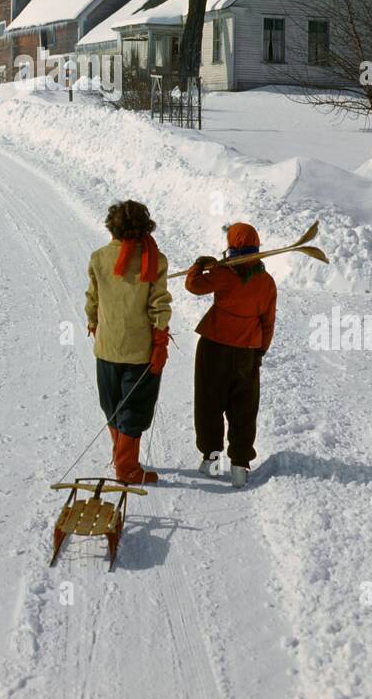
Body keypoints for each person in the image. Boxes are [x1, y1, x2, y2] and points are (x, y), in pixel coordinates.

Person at [85, 200, 172, 485]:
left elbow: (92, 300)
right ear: (144, 227)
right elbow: (158, 304)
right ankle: (127, 469)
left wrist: (94, 324)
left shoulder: (98, 258)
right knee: (133, 410)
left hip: (107, 348)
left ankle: (122, 458)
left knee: (112, 405)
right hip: (140, 351)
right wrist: (160, 341)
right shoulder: (155, 260)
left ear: (112, 227)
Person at [185, 222, 276, 488]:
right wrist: (260, 350)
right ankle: (240, 466)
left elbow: (193, 285)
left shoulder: (224, 274)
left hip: (214, 347)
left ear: (232, 247)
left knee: (209, 403)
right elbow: (268, 322)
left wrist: (198, 266)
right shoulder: (266, 281)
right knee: (244, 409)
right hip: (247, 351)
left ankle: (212, 461)